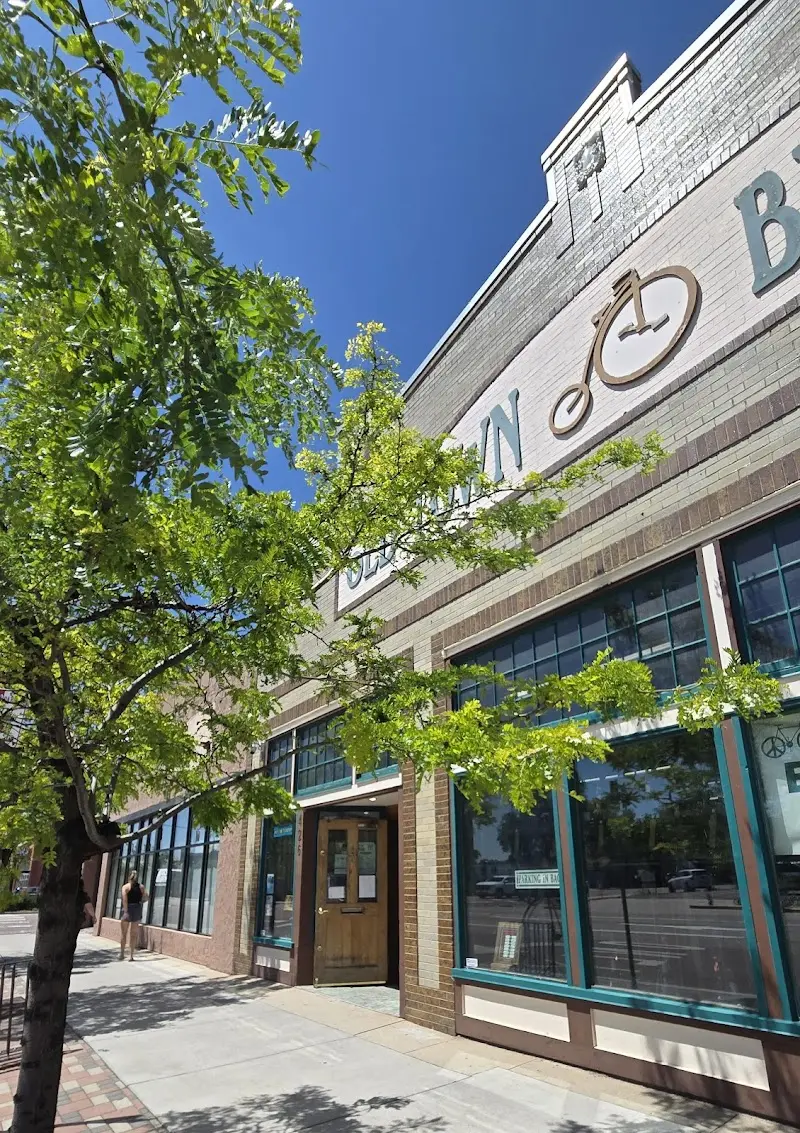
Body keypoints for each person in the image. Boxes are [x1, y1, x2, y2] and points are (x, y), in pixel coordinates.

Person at [120, 870, 148, 961]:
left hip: (128, 908)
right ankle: (131, 956)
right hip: (137, 909)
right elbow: (146, 897)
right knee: (134, 934)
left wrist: (126, 911)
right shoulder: (141, 887)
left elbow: (124, 900)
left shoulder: (125, 887)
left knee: (124, 933)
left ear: (129, 877)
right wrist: (140, 902)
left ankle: (122, 954)